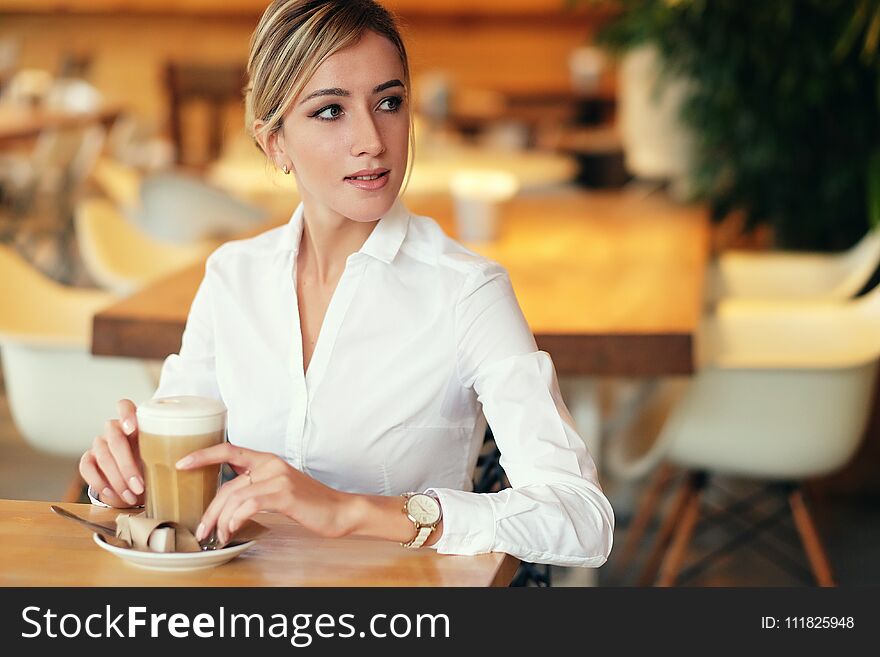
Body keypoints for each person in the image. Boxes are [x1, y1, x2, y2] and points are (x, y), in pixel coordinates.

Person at [79, 0, 614, 568]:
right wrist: (130, 474)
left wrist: (351, 511)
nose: (373, 141)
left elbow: (581, 520)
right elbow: (181, 473)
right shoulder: (232, 277)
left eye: (388, 103)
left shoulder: (467, 292)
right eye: (330, 111)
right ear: (274, 142)